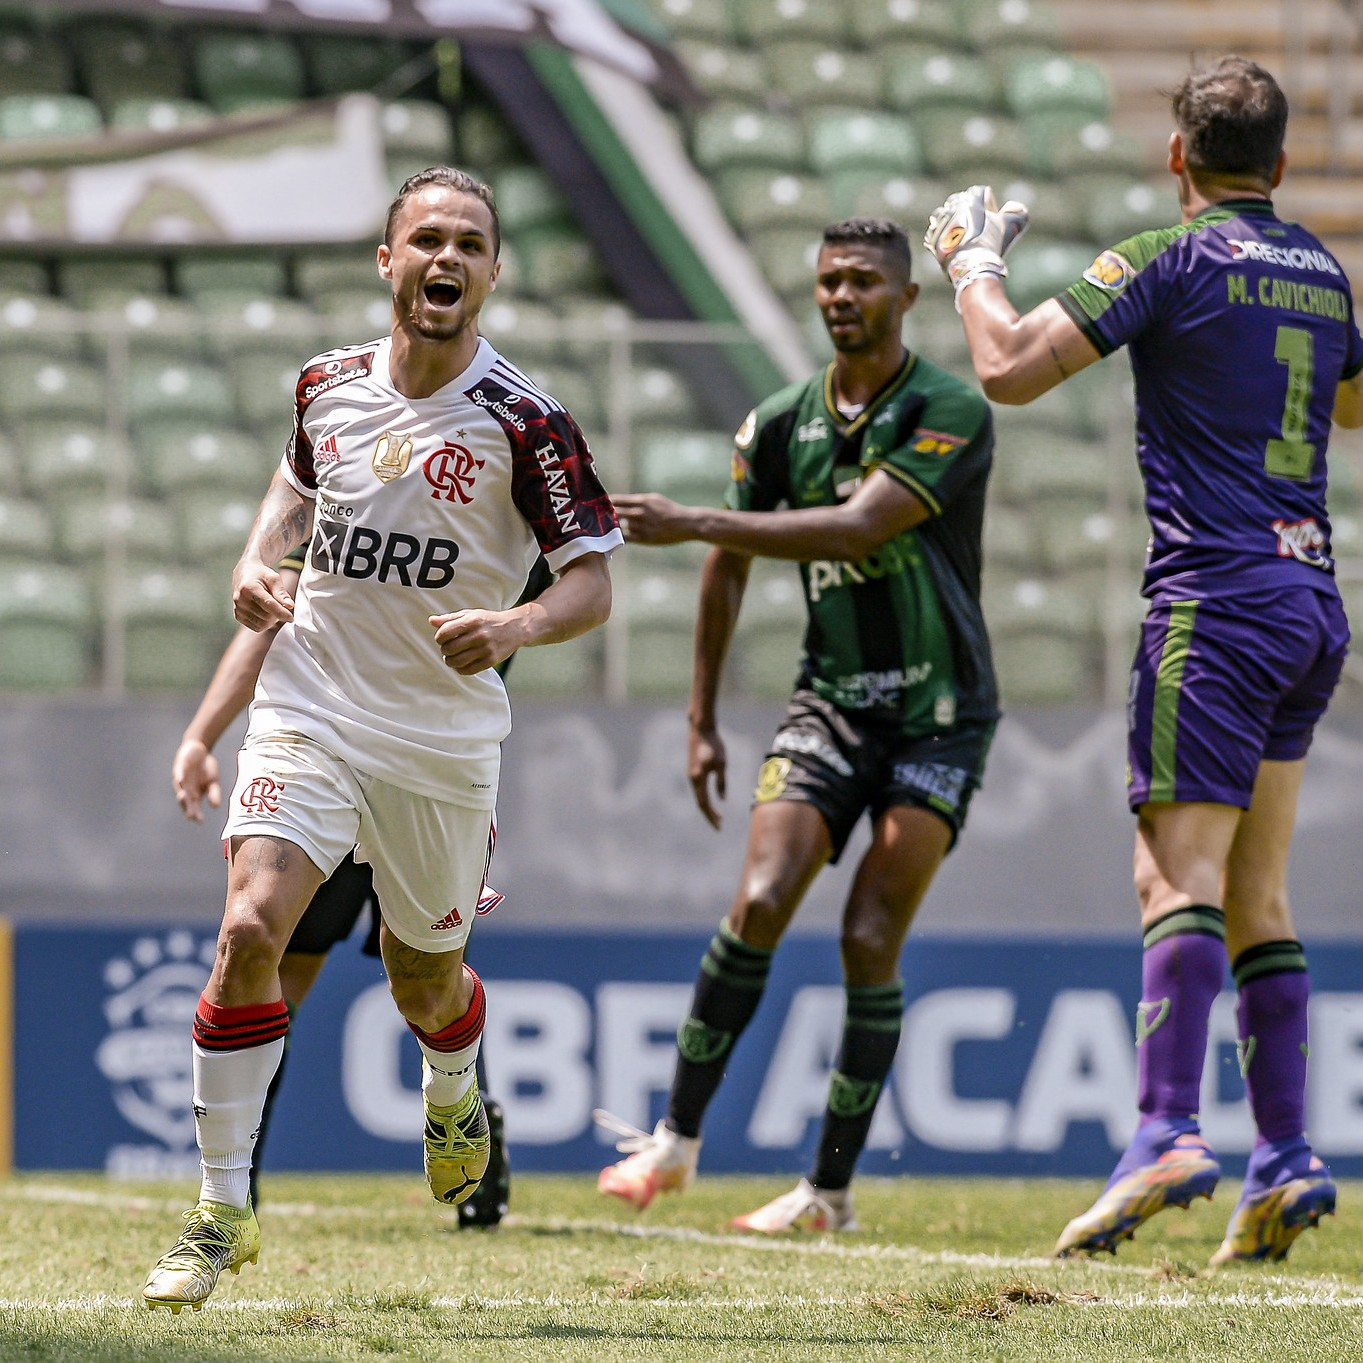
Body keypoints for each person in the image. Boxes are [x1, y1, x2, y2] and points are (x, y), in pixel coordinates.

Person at [143, 166, 622, 1312]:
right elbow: (288, 498)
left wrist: (519, 621)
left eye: (469, 244)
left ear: (493, 273)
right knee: (250, 925)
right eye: (426, 240)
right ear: (388, 260)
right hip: (309, 710)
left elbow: (594, 582)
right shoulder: (325, 386)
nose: (445, 259)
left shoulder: (526, 420)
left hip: (439, 744)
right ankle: (218, 1212)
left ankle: (453, 1074)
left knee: (423, 981)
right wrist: (253, 564)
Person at [923, 56, 1363, 1265]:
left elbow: (1006, 368)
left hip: (1212, 604)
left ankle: (1167, 1129)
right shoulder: (1323, 273)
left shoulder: (1169, 258)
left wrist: (971, 261)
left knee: (1171, 882)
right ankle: (1282, 1156)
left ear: (1177, 156)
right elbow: (1345, 402)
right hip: (1308, 597)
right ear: (1278, 165)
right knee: (1257, 892)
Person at [598, 217, 998, 1233]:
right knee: (763, 894)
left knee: (868, 938)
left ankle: (827, 1191)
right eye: (826, 280)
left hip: (937, 716)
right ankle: (674, 1142)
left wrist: (694, 517)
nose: (839, 295)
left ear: (906, 298)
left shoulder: (948, 409)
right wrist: (699, 716)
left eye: (862, 280)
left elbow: (861, 524)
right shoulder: (778, 423)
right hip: (829, 701)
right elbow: (728, 567)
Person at [169, 547, 552, 1225]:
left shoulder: (513, 490)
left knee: (432, 978)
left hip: (432, 773)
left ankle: (466, 1124)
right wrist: (202, 733)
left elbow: (582, 573)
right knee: (272, 960)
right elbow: (275, 611)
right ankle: (234, 1190)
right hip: (329, 759)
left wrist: (587, 539)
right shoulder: (352, 476)